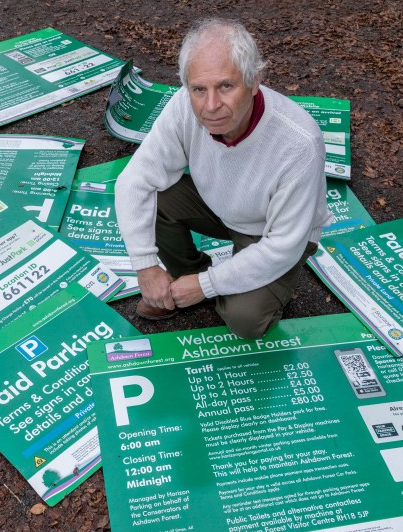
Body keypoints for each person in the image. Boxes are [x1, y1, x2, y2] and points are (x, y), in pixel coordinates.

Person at [115, 18, 332, 339]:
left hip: (271, 231)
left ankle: (219, 287)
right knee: (153, 196)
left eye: (226, 86)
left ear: (255, 80)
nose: (211, 106)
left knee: (247, 321)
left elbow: (283, 245)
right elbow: (134, 180)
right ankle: (186, 277)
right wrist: (145, 265)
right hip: (219, 204)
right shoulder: (182, 107)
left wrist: (208, 285)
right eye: (198, 89)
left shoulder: (298, 142)